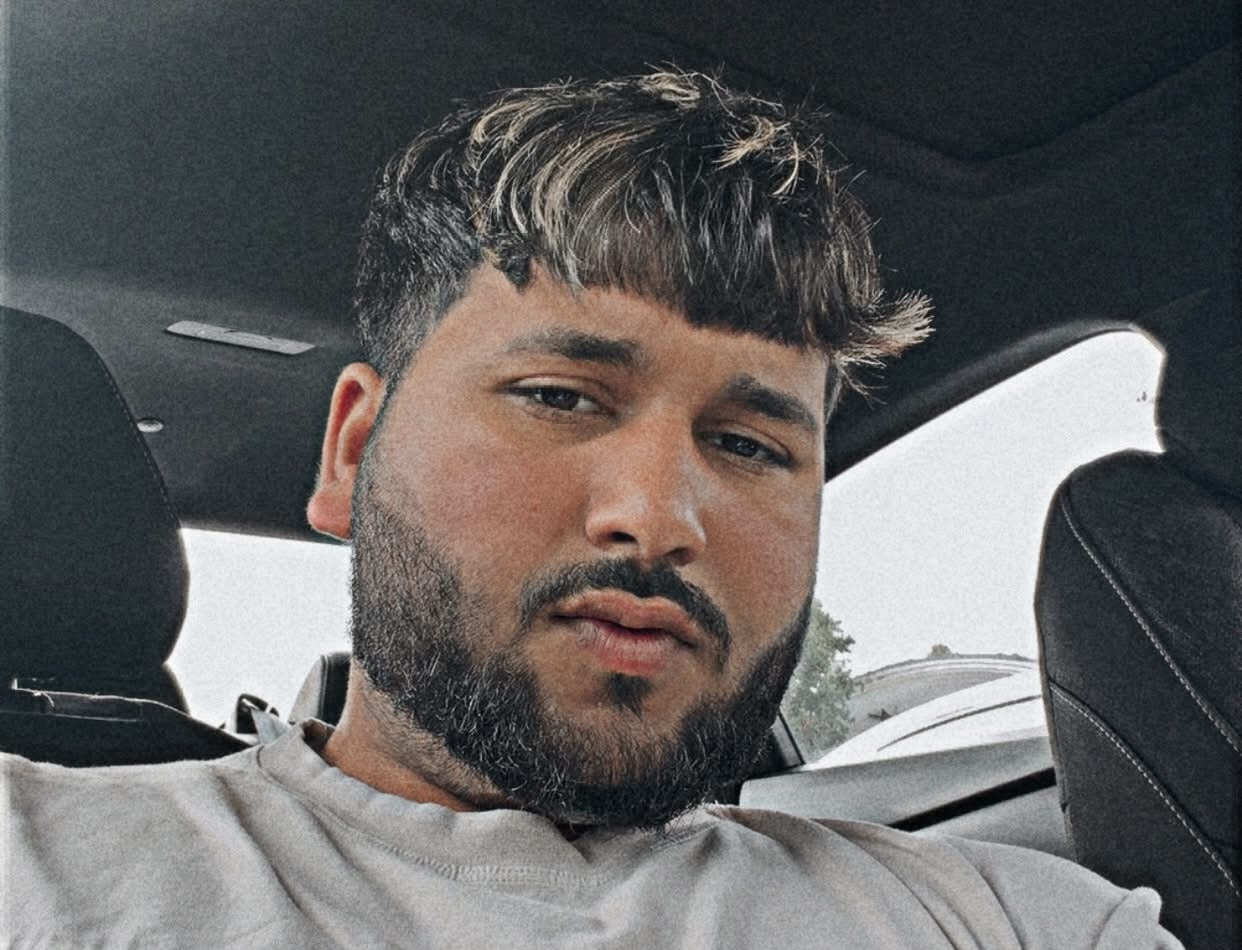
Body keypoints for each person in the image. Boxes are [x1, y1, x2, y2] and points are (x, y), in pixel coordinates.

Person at [4, 70, 1181, 948]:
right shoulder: (38, 866)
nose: (658, 517)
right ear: (355, 449)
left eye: (748, 443)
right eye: (561, 396)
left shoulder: (1021, 921)